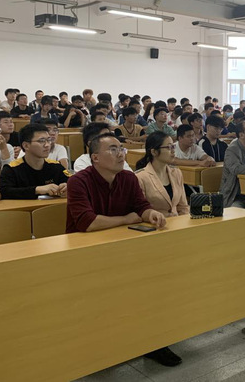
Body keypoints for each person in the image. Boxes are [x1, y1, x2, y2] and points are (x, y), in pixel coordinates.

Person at [65, 133, 179, 367]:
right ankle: (97, 349)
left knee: (150, 288)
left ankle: (153, 342)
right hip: (84, 253)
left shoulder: (128, 178)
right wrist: (127, 218)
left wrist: (150, 214)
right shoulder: (78, 181)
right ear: (95, 157)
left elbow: (141, 206)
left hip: (123, 247)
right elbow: (87, 222)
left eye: (121, 149)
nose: (120, 154)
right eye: (113, 149)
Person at [0, 124, 71, 199]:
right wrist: (37, 190)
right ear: (26, 146)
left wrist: (66, 187)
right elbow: (4, 192)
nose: (47, 145)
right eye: (41, 141)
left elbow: (72, 182)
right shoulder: (11, 169)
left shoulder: (56, 167)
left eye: (49, 140)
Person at [135, 131, 190, 217]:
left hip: (176, 222)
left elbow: (183, 207)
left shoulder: (176, 172)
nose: (173, 151)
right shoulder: (140, 177)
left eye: (173, 147)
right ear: (154, 152)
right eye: (169, 147)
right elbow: (140, 210)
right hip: (155, 223)